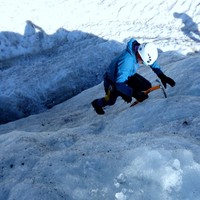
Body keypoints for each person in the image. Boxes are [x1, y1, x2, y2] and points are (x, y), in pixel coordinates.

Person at [91, 38, 175, 115]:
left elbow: (151, 61)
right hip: (113, 81)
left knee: (146, 86)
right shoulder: (126, 62)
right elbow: (119, 84)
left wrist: (162, 75)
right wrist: (133, 93)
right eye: (143, 62)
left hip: (128, 75)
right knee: (110, 100)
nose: (142, 64)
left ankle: (127, 92)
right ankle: (96, 104)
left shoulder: (140, 50)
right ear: (140, 56)